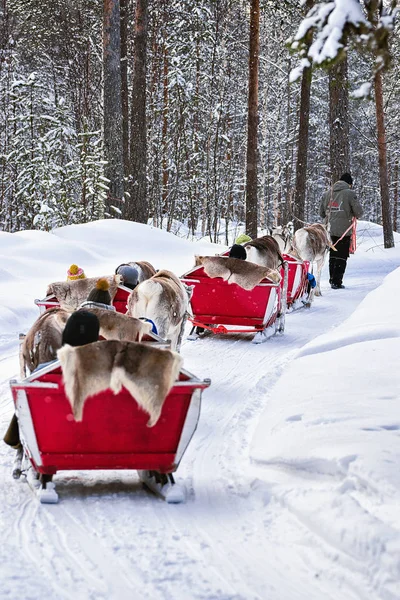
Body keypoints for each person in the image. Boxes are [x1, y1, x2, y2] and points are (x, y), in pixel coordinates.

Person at [3, 311, 100, 457]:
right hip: (99, 439)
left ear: (66, 334)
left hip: (53, 440)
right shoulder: (106, 373)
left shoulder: (44, 375)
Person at [320, 172, 363, 289]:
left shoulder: (327, 193)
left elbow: (321, 213)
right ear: (349, 184)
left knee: (333, 255)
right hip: (344, 230)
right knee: (341, 256)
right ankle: (337, 281)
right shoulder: (350, 194)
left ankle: (332, 279)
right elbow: (359, 212)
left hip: (328, 230)